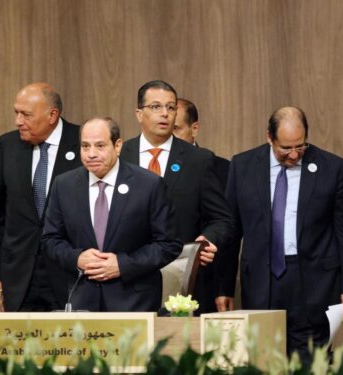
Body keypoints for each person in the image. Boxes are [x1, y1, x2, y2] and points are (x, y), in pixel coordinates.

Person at [221, 106, 343, 362]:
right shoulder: (242, 166)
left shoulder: (333, 168)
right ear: (269, 137)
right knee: (262, 360)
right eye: (285, 148)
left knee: (310, 362)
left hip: (313, 282)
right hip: (262, 281)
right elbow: (232, 232)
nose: (294, 155)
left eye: (301, 146)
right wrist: (224, 288)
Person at [43, 117, 181, 311]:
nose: (91, 154)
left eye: (100, 146)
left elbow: (169, 244)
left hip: (134, 302)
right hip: (82, 301)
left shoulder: (148, 185)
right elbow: (50, 239)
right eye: (85, 146)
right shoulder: (63, 185)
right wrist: (77, 258)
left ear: (117, 146)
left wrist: (123, 265)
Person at [120, 80, 233, 315]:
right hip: (126, 280)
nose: (164, 114)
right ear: (139, 114)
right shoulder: (120, 157)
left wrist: (208, 238)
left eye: (171, 108)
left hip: (182, 281)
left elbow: (222, 220)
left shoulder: (198, 160)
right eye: (155, 107)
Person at [0, 82, 80, 311]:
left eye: (25, 114)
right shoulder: (8, 145)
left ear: (52, 115)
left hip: (67, 277)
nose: (18, 121)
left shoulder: (83, 143)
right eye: (16, 113)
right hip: (17, 279)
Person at [173, 98, 229, 188]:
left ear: (194, 129)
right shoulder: (151, 165)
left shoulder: (222, 168)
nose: (168, 136)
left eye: (175, 128)